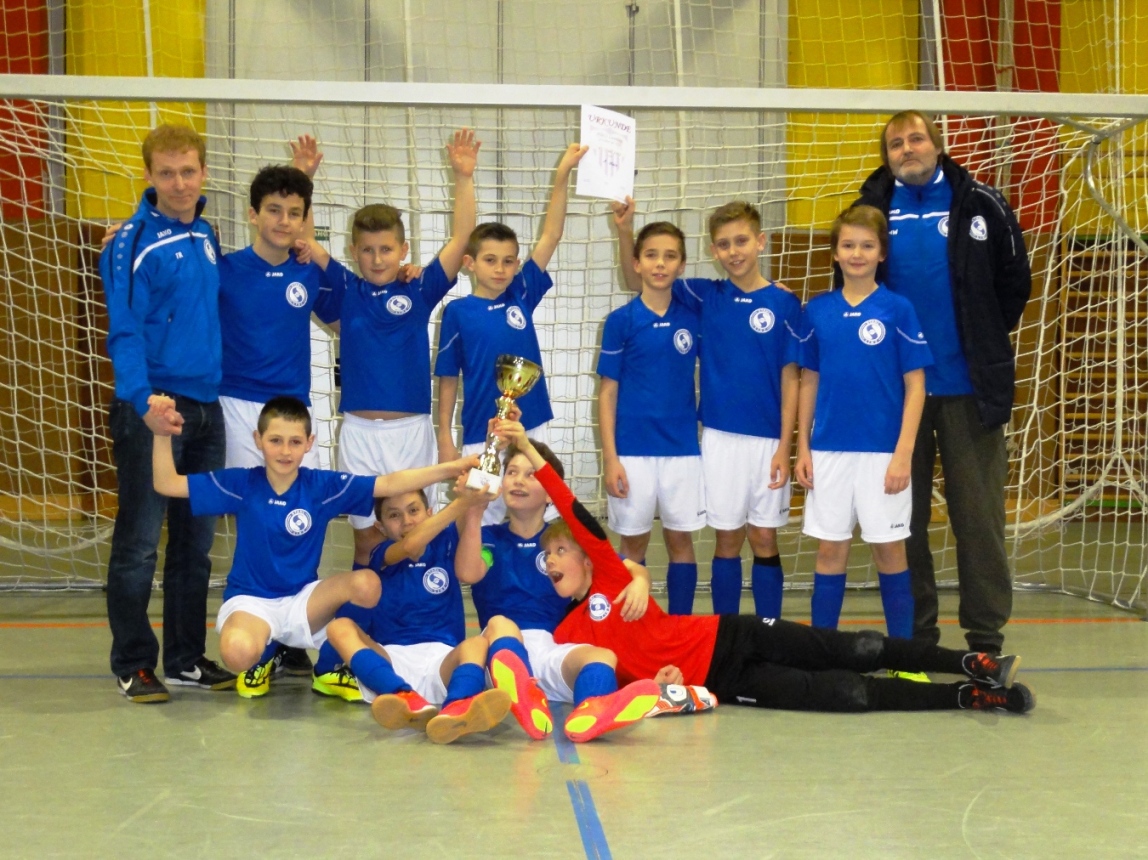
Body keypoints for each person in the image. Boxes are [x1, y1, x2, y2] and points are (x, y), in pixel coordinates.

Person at [496, 420, 1035, 716]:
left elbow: (571, 508)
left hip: (730, 635)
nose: (551, 561)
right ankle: (966, 695)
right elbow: (611, 691)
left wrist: (525, 448)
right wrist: (657, 689)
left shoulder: (614, 576)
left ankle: (971, 661)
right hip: (725, 681)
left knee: (855, 649)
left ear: (587, 556)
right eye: (546, 558)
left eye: (560, 551)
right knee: (843, 694)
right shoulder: (570, 637)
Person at [147, 394, 478, 698]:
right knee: (237, 653)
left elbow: (389, 483)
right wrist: (161, 434)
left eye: (295, 442)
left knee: (366, 583)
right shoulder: (242, 483)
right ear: (258, 440)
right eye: (275, 441)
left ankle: (328, 670)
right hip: (253, 602)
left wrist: (452, 468)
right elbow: (167, 483)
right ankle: (266, 652)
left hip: (304, 602)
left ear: (309, 443)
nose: (285, 451)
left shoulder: (321, 487)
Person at [854, 111, 1032, 655]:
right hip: (895, 397)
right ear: (887, 156)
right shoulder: (870, 211)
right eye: (895, 144)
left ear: (938, 145)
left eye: (916, 139)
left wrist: (978, 338)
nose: (906, 149)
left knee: (977, 518)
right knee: (900, 521)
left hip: (968, 392)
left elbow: (1014, 284)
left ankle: (985, 638)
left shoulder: (982, 204)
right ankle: (916, 637)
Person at [613, 199, 801, 618]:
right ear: (713, 250)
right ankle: (725, 632)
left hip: (769, 440)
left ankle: (770, 629)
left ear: (761, 242)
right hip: (718, 438)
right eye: (724, 244)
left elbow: (792, 378)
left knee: (765, 538)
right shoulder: (704, 294)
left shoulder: (785, 304)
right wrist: (625, 231)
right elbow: (635, 278)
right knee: (727, 539)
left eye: (741, 241)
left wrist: (785, 446)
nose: (734, 251)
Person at [99, 123, 235, 703]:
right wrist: (143, 400)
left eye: (188, 172)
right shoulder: (131, 241)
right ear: (149, 176)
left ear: (204, 173)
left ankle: (184, 659)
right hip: (155, 409)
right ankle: (134, 663)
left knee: (194, 546)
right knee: (138, 544)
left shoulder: (206, 233)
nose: (179, 183)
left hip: (207, 409)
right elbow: (125, 330)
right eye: (166, 173)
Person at [300, 129, 480, 566]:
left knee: (420, 533)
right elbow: (306, 244)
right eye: (367, 250)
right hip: (359, 434)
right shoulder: (346, 289)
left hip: (411, 432)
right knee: (366, 538)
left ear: (403, 249)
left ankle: (426, 603)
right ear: (353, 251)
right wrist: (303, 178)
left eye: (386, 249)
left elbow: (461, 239)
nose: (378, 258)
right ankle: (366, 608)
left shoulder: (418, 288)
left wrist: (463, 177)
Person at [453, 438, 663, 743]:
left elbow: (625, 567)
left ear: (551, 492)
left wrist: (641, 581)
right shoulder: (489, 540)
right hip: (497, 651)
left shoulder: (565, 541)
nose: (519, 481)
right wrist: (473, 512)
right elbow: (468, 572)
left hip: (550, 647)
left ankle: (591, 711)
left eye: (531, 474)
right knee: (501, 623)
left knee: (601, 656)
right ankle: (522, 691)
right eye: (512, 472)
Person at [794, 206, 932, 662]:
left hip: (882, 453)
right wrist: (803, 447)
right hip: (829, 451)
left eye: (867, 245)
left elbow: (916, 386)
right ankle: (823, 658)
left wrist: (903, 454)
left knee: (890, 551)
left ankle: (904, 660)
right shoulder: (818, 310)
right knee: (830, 551)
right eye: (849, 245)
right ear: (835, 253)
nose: (857, 253)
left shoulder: (899, 309)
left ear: (881, 253)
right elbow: (808, 380)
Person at [434, 143, 587, 525]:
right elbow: (448, 378)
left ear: (517, 264)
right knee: (480, 518)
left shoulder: (521, 294)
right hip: (481, 430)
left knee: (536, 516)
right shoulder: (457, 312)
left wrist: (562, 175)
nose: (500, 269)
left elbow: (551, 235)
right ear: (469, 263)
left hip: (531, 425)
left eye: (507, 261)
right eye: (490, 260)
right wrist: (445, 437)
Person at [322, 483, 514, 744]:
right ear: (380, 527)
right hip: (390, 661)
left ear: (429, 512)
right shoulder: (380, 553)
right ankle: (401, 695)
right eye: (394, 515)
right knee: (339, 627)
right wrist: (461, 502)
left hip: (442, 661)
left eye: (414, 511)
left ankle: (457, 707)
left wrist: (474, 490)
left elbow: (467, 520)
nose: (406, 521)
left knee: (477, 644)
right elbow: (411, 545)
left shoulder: (447, 542)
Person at [598, 221, 704, 614]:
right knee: (632, 543)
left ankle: (680, 624)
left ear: (682, 265)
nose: (660, 263)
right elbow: (607, 393)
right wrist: (611, 458)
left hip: (682, 449)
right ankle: (633, 625)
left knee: (681, 541)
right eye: (652, 255)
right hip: (631, 451)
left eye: (670, 256)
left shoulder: (694, 316)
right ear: (637, 263)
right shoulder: (620, 320)